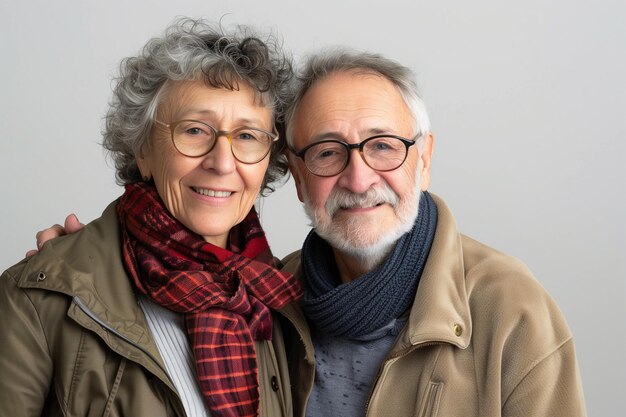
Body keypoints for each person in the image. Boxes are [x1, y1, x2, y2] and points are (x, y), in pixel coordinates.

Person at [25, 49, 588, 417]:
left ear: (425, 158)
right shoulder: (267, 294)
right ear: (295, 176)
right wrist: (86, 277)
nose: (359, 177)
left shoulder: (511, 309)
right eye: (327, 152)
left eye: (384, 146)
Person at [0, 18, 304, 417]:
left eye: (248, 136)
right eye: (195, 130)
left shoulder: (281, 300)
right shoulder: (39, 300)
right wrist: (59, 273)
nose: (222, 162)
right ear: (142, 147)